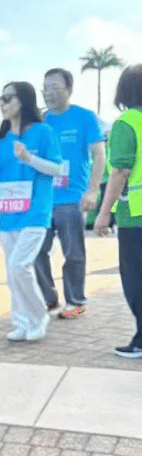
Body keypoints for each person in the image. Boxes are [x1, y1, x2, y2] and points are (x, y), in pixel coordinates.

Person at [0, 82, 62, 342]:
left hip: (35, 211)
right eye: (1, 98)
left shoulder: (43, 132)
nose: (3, 103)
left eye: (8, 97)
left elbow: (57, 169)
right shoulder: (2, 138)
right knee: (11, 270)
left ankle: (39, 317)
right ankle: (21, 321)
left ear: (24, 100)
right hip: (9, 212)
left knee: (20, 266)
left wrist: (30, 159)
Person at [35, 68, 105, 319]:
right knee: (35, 251)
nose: (48, 93)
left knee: (73, 253)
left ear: (69, 90)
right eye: (45, 88)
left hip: (72, 197)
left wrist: (93, 190)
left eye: (54, 87)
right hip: (42, 201)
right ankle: (49, 298)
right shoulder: (40, 121)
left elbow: (99, 154)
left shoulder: (84, 118)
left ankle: (76, 301)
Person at [94, 64, 142, 358]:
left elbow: (120, 171)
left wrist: (103, 212)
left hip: (135, 216)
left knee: (136, 279)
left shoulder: (127, 121)